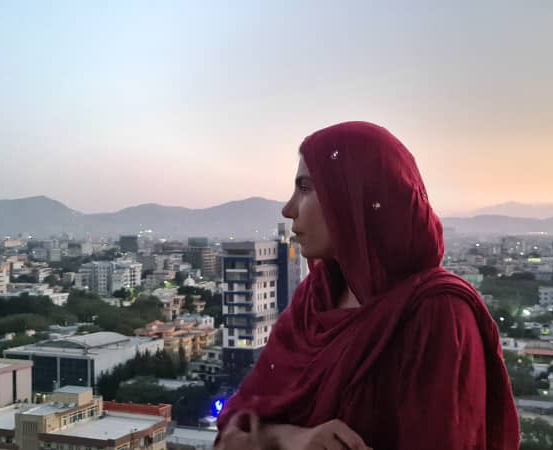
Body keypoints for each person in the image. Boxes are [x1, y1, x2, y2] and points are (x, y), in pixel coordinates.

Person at [215, 121, 519, 450]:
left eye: (305, 188)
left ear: (353, 197)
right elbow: (234, 431)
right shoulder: (314, 298)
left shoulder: (435, 313)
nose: (288, 210)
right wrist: (289, 438)